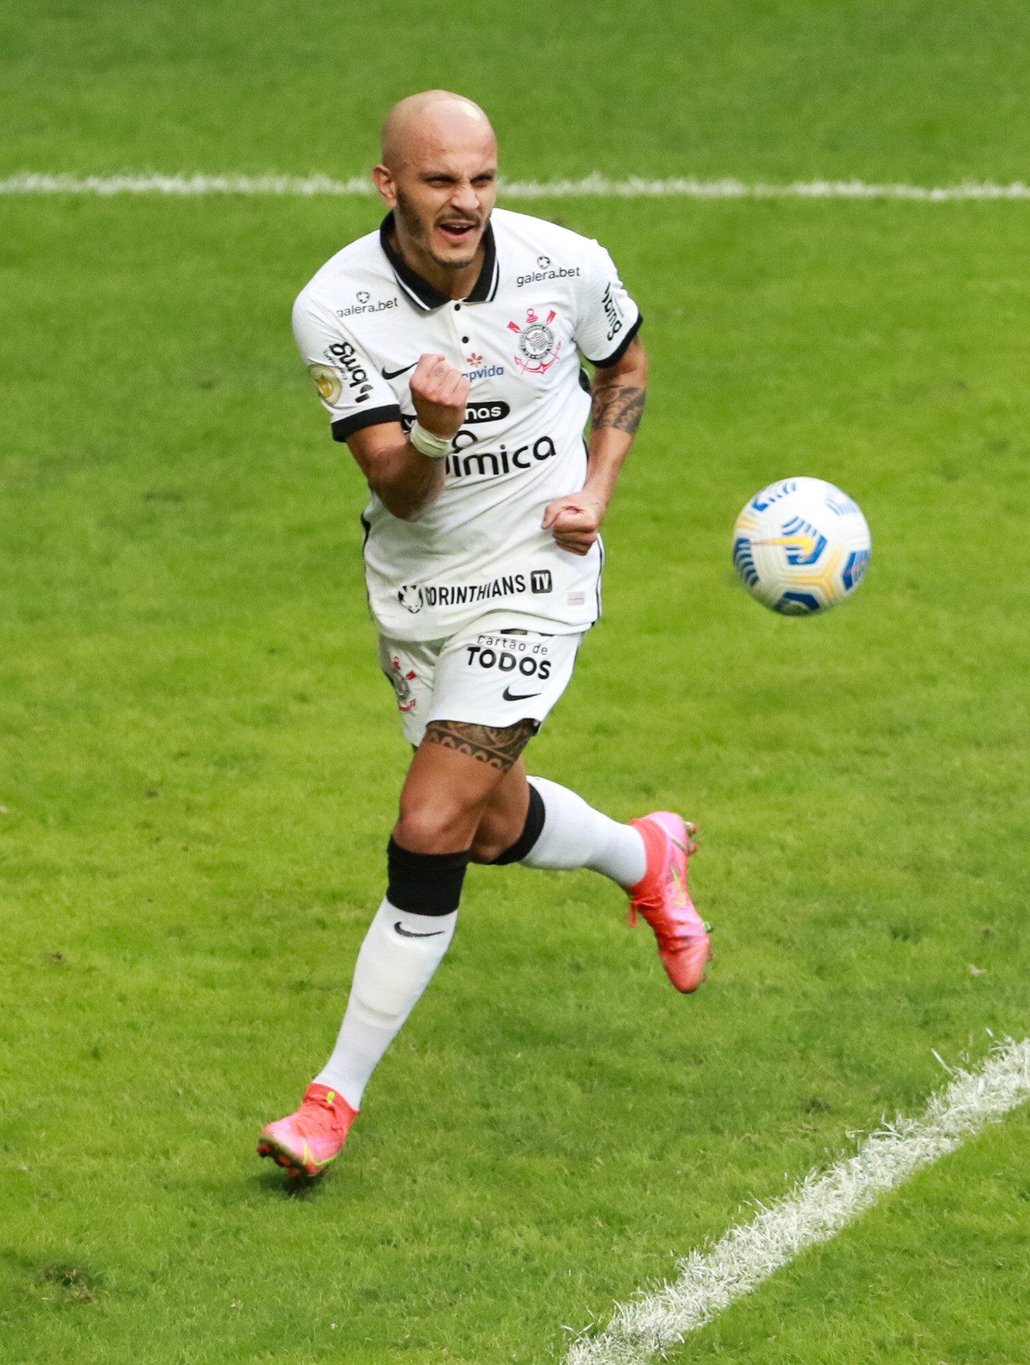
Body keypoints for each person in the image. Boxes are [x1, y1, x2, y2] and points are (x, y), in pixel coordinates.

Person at [258, 91, 711, 1179]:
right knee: (488, 823)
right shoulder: (336, 308)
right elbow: (401, 494)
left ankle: (330, 1101)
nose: (465, 203)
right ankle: (644, 853)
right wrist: (430, 429)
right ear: (389, 186)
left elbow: (627, 366)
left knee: (428, 822)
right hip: (417, 592)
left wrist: (594, 491)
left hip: (538, 582)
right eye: (439, 182)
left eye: (482, 179)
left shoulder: (566, 265)